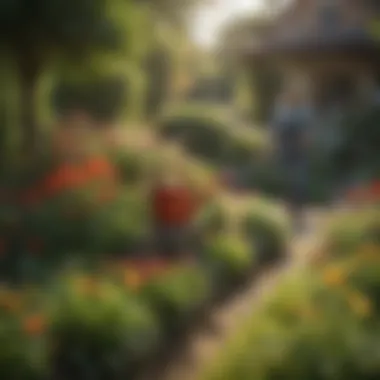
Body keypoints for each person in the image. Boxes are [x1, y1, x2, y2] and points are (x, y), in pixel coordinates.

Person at [271, 87, 314, 231]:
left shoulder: (303, 112)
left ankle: (299, 212)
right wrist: (274, 146)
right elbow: (276, 130)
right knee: (285, 178)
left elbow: (306, 132)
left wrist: (304, 143)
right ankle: (287, 210)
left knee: (299, 179)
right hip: (285, 149)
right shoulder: (283, 111)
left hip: (297, 150)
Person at [150, 166, 201, 261]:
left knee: (163, 253)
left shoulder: (163, 193)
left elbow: (155, 207)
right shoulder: (183, 193)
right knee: (178, 252)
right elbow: (190, 208)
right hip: (177, 226)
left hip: (166, 225)